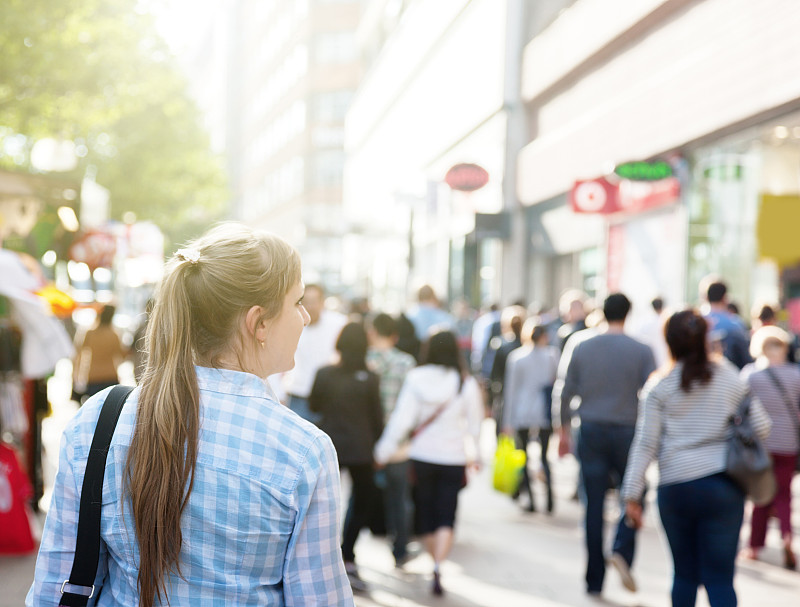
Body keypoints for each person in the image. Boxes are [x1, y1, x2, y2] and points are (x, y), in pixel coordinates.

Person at [27, 223, 354, 606]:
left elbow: (55, 586)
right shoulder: (303, 451)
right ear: (258, 323)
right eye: (296, 302)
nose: (306, 317)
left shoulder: (100, 421)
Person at [622, 309, 771, 607]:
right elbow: (763, 426)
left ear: (669, 342)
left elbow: (645, 444)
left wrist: (631, 495)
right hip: (724, 487)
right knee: (720, 579)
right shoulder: (728, 377)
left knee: (684, 576)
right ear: (705, 339)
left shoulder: (659, 387)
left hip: (675, 488)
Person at [555, 293, 656, 597]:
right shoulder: (641, 350)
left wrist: (561, 429)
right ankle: (622, 549)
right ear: (628, 313)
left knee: (593, 504)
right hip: (628, 431)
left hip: (591, 429)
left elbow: (564, 390)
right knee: (635, 492)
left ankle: (594, 579)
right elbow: (653, 393)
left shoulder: (581, 344)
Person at [373, 330, 483, 597]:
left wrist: (383, 451)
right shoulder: (464, 383)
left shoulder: (416, 378)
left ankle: (432, 557)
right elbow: (476, 424)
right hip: (453, 459)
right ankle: (438, 563)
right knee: (447, 513)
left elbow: (402, 419)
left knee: (425, 513)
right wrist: (476, 454)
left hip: (422, 457)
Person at [309, 322, 383, 591]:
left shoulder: (325, 374)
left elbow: (313, 405)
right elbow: (377, 419)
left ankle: (326, 555)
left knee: (326, 502)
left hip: (331, 445)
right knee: (362, 500)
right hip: (361, 449)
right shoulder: (370, 378)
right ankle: (348, 553)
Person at [740, 326, 800, 570]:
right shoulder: (796, 375)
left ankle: (754, 547)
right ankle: (786, 535)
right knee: (784, 494)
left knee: (760, 496)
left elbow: (740, 411)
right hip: (788, 444)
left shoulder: (751, 376)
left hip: (760, 445)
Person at [366, 313, 418, 567]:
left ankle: (347, 552)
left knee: (358, 496)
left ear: (372, 332)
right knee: (400, 497)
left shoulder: (364, 361)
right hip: (398, 441)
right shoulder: (407, 363)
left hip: (368, 439)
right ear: (395, 335)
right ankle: (400, 549)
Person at [502, 319, 560, 513]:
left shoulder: (517, 357)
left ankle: (532, 499)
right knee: (544, 456)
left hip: (523, 412)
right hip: (545, 412)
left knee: (524, 456)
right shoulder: (552, 356)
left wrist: (507, 421)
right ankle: (550, 498)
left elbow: (510, 391)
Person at [281, 283, 346, 423]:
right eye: (306, 302)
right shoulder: (290, 323)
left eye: (314, 302)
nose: (310, 306)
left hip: (329, 396)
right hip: (298, 395)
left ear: (322, 302)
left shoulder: (339, 323)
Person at [71, 304, 127, 403]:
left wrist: (75, 376)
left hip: (93, 376)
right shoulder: (113, 334)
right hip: (110, 375)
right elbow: (121, 356)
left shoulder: (90, 333)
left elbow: (78, 356)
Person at [489, 305, 526, 434]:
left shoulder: (501, 345)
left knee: (503, 429)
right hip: (523, 393)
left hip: (505, 393)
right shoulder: (525, 346)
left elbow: (494, 374)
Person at [701, 278, 752, 369]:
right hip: (731, 374)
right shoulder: (737, 324)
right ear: (725, 298)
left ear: (706, 297)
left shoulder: (698, 323)